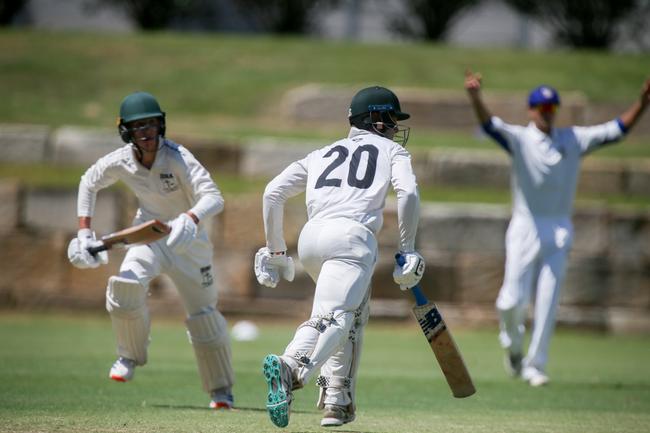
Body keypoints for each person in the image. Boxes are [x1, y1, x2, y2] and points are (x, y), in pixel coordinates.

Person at [465, 70, 650, 387]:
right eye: (541, 107)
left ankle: (536, 365)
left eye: (551, 108)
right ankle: (512, 346)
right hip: (525, 226)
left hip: (558, 228)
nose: (547, 113)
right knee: (510, 302)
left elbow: (616, 131)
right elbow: (488, 125)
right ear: (531, 110)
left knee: (548, 300)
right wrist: (475, 97)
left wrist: (643, 103)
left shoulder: (572, 139)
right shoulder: (520, 138)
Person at [254, 86, 425, 428]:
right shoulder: (392, 151)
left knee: (354, 317)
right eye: (391, 119)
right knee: (335, 318)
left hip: (311, 240)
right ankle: (291, 367)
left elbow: (273, 192)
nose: (395, 127)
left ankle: (337, 400)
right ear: (376, 120)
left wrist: (275, 251)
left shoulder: (321, 153)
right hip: (352, 240)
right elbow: (408, 193)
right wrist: (407, 250)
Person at [66, 91, 235, 409]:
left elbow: (214, 196)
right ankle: (129, 356)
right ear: (126, 131)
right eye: (139, 126)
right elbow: (89, 181)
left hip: (190, 243)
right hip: (150, 236)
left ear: (161, 125)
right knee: (125, 286)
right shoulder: (120, 161)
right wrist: (85, 232)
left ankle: (221, 391)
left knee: (204, 317)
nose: (147, 132)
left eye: (152, 125)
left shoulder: (178, 157)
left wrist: (191, 217)